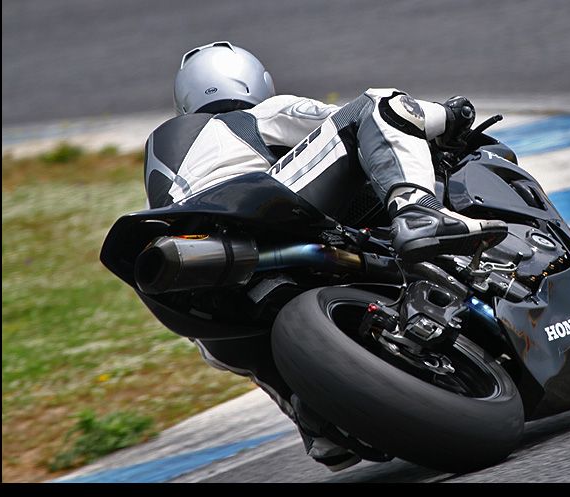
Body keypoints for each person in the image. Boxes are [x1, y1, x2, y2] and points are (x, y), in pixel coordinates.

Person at [143, 40, 508, 471]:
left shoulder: (158, 154)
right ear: (254, 80)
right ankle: (418, 211)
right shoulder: (260, 113)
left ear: (184, 101)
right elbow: (341, 120)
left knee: (219, 332)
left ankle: (308, 413)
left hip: (199, 272)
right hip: (259, 206)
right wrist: (449, 116)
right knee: (379, 105)